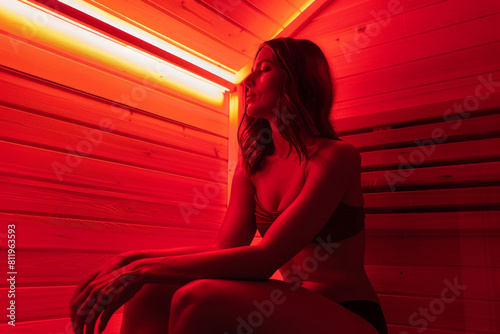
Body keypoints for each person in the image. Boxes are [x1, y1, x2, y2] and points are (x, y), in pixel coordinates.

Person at [69, 37, 388, 334]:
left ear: (300, 82)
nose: (248, 81)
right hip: (290, 302)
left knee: (198, 297)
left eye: (264, 70)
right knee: (149, 290)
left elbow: (265, 258)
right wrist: (136, 260)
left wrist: (141, 269)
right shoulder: (254, 165)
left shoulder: (336, 158)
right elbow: (225, 248)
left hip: (347, 313)